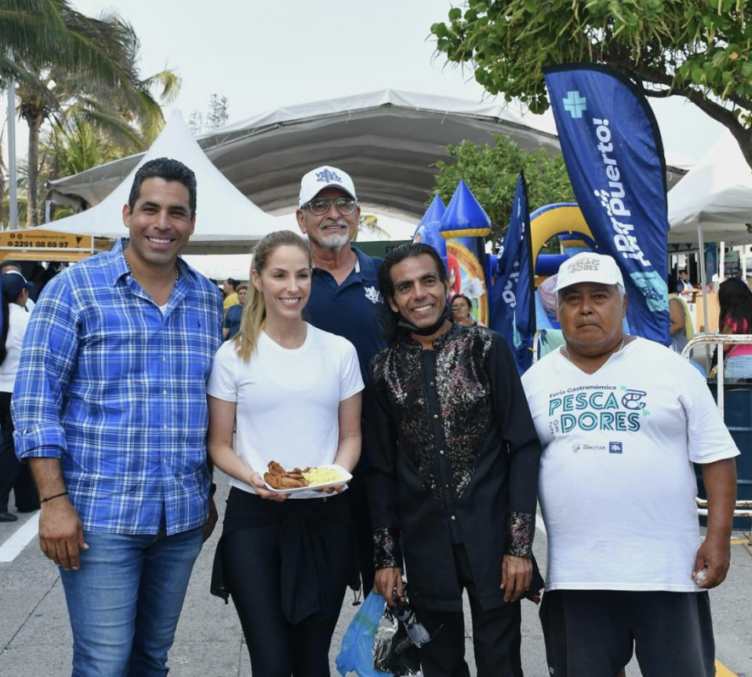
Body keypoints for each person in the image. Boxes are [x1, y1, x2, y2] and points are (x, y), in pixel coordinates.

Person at [12, 157, 223, 676]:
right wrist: (53, 502)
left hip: (181, 516)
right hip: (100, 518)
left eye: (177, 212)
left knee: (152, 659)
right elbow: (35, 401)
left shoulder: (206, 298)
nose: (162, 223)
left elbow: (207, 404)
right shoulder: (74, 289)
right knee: (104, 663)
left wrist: (208, 493)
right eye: (150, 209)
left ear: (191, 223)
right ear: (127, 214)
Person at [521, 252, 739, 677]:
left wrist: (718, 539)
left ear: (623, 303)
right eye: (572, 299)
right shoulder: (534, 382)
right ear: (557, 310)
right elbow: (517, 472)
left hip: (668, 572)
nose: (586, 308)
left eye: (599, 296)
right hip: (577, 577)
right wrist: (518, 549)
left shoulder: (672, 369)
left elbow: (716, 458)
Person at [367, 243, 541, 677]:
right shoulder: (383, 369)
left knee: (501, 663)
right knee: (440, 665)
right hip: (425, 545)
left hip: (492, 541)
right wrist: (386, 559)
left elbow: (522, 446)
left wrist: (519, 547)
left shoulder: (487, 349)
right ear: (393, 301)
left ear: (446, 285)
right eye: (405, 287)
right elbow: (380, 470)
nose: (419, 293)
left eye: (428, 280)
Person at [207, 230, 364, 676]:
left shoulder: (339, 351)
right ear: (257, 279)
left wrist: (336, 473)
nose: (292, 287)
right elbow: (219, 443)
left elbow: (351, 435)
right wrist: (253, 477)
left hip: (327, 517)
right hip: (254, 518)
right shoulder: (232, 356)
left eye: (302, 275)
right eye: (279, 275)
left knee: (312, 661)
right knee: (271, 662)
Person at [296, 164, 386, 595]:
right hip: (307, 448)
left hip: (382, 450)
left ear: (358, 214)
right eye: (320, 205)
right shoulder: (288, 280)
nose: (333, 214)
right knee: (316, 581)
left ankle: (384, 639)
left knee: (386, 573)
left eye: (343, 203)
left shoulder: (386, 276)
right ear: (301, 218)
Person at [0, 272, 39, 522]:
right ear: (22, 293)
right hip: (19, 390)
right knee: (13, 449)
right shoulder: (26, 319)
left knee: (15, 445)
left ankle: (27, 498)